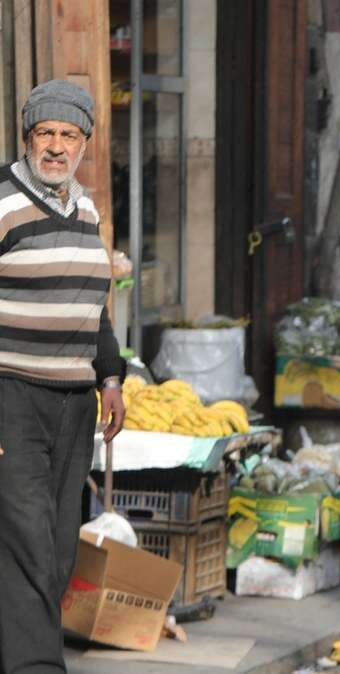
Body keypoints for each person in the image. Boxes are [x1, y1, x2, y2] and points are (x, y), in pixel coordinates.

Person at [0, 80, 127, 673]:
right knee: (26, 537)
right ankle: (36, 667)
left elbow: (92, 305)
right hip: (12, 393)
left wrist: (111, 378)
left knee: (57, 540)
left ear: (85, 144)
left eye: (68, 135)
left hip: (74, 400)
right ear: (27, 138)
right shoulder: (2, 200)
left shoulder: (87, 208)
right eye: (45, 133)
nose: (56, 146)